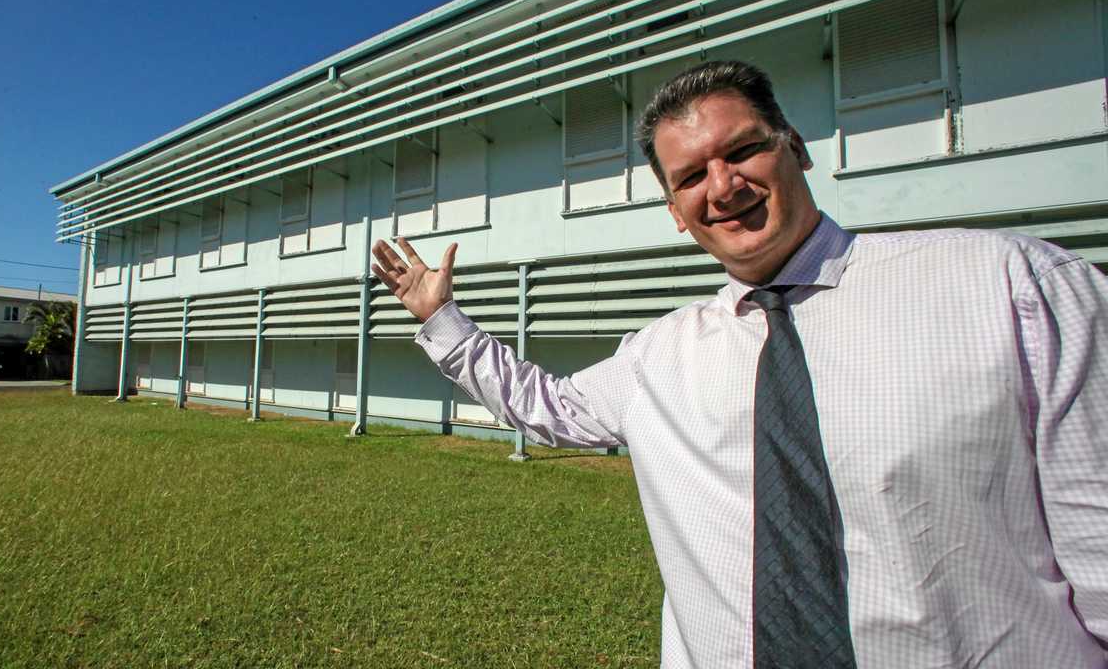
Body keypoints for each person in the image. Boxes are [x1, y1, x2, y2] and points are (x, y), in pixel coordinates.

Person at [371, 61, 1108, 668]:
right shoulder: (658, 356)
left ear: (796, 145)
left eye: (743, 151)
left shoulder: (1011, 285)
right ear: (674, 209)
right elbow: (548, 406)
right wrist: (441, 321)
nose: (722, 187)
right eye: (690, 176)